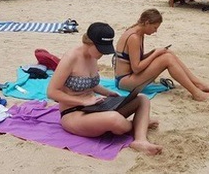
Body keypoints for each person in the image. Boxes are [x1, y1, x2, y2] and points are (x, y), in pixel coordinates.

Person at [46, 23, 162, 156]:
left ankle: (140, 140)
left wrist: (108, 93)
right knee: (115, 119)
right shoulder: (71, 58)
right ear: (90, 43)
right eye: (101, 49)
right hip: (73, 113)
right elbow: (51, 92)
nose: (102, 54)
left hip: (95, 106)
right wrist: (83, 102)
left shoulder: (93, 56)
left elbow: (91, 84)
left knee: (142, 99)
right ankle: (138, 124)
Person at [114, 9, 209, 102]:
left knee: (168, 53)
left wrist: (152, 53)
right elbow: (136, 68)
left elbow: (134, 59)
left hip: (128, 78)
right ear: (147, 23)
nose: (155, 31)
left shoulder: (138, 32)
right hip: (125, 82)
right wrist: (155, 54)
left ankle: (197, 83)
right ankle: (197, 94)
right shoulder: (134, 37)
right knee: (167, 59)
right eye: (155, 27)